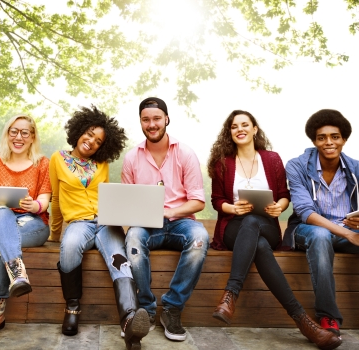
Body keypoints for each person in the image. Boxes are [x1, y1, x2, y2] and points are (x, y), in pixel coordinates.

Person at [207, 110, 341, 350]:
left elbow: (284, 195)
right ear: (230, 132)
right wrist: (232, 208)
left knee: (254, 224)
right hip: (233, 227)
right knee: (253, 235)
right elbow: (216, 200)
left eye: (245, 124)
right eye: (234, 126)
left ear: (255, 129)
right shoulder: (223, 162)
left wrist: (278, 207)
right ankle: (304, 322)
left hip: (266, 224)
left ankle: (230, 294)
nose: (240, 129)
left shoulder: (271, 159)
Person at [50, 106, 149, 350]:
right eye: (89, 134)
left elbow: (107, 196)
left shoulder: (101, 164)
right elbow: (54, 198)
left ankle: (128, 321)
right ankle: (72, 306)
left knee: (120, 260)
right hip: (78, 223)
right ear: (80, 130)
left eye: (98, 141)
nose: (91, 141)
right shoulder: (58, 159)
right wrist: (54, 232)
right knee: (70, 245)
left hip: (106, 222)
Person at [123, 97, 209, 342]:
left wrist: (169, 212)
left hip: (180, 222)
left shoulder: (185, 154)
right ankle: (146, 310)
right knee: (133, 238)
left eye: (157, 119)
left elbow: (198, 202)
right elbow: (128, 201)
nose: (152, 124)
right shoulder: (131, 158)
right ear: (140, 122)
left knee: (200, 237)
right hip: (147, 225)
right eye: (146, 119)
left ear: (167, 119)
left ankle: (172, 309)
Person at [0, 115, 51, 337]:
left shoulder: (42, 163)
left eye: (25, 132)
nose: (18, 137)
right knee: (2, 210)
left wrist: (34, 205)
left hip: (32, 223)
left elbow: (44, 199)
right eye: (14, 131)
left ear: (32, 136)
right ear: (7, 134)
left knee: (0, 241)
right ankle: (17, 273)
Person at [284, 109, 359, 337]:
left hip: (347, 229)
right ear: (314, 141)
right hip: (307, 230)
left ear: (344, 139)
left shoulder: (355, 168)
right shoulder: (297, 166)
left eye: (335, 137)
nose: (329, 142)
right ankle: (328, 316)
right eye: (322, 137)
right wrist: (348, 235)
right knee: (320, 235)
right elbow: (305, 212)